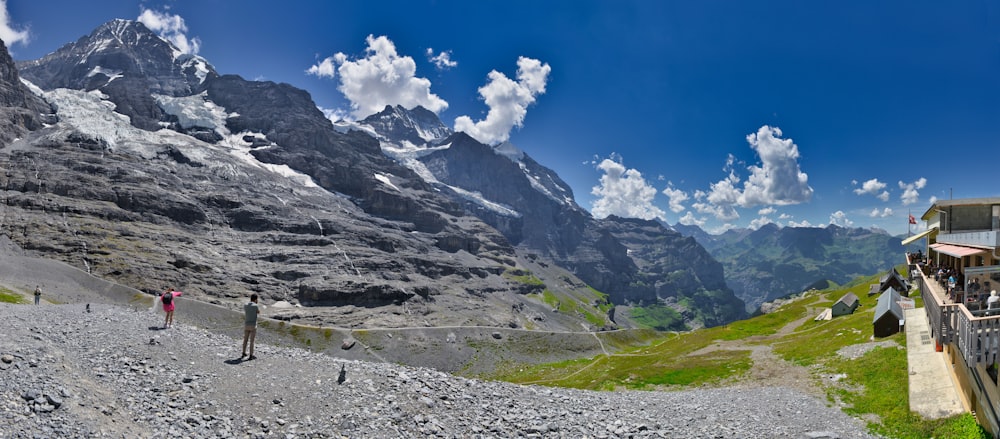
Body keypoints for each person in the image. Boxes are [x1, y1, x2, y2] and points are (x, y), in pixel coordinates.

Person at [242, 294, 261, 360]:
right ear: (255, 299)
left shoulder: (245, 305)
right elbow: (258, 312)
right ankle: (251, 355)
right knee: (252, 341)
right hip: (253, 325)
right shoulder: (256, 306)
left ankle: (243, 352)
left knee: (245, 340)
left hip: (246, 324)